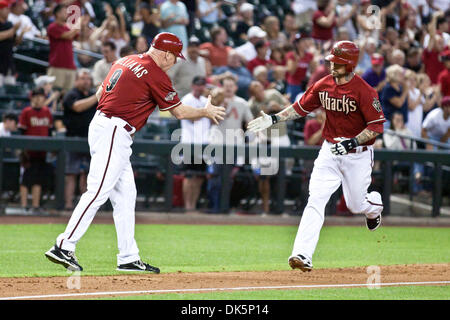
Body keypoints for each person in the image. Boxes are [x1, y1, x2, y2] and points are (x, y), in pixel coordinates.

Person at [45, 32, 225, 273]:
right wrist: (204, 112)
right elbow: (180, 113)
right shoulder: (155, 73)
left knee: (126, 195)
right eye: (174, 56)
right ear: (164, 53)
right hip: (113, 129)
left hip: (106, 125)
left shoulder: (125, 60)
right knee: (98, 190)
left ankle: (128, 256)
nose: (174, 62)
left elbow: (100, 93)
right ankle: (64, 245)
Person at [248, 41, 385, 272]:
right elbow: (300, 107)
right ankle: (302, 254)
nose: (333, 66)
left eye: (338, 63)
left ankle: (374, 207)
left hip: (357, 155)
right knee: (316, 199)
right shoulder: (324, 84)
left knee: (355, 204)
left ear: (349, 64)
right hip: (330, 150)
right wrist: (274, 119)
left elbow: (376, 127)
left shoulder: (364, 91)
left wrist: (352, 142)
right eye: (332, 61)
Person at [248, 81, 290, 215]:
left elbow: (291, 107)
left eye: (260, 89)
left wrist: (279, 107)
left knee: (282, 173)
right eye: (256, 91)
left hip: (281, 136)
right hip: (264, 139)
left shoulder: (273, 94)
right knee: (263, 175)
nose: (260, 93)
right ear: (252, 94)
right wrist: (263, 113)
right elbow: (249, 124)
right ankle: (265, 209)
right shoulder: (252, 104)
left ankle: (280, 208)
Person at [62, 69, 98, 211]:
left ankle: (85, 207)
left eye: (88, 78)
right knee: (71, 173)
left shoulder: (91, 94)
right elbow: (78, 107)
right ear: (76, 80)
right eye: (83, 78)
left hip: (90, 140)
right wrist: (97, 96)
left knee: (88, 175)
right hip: (73, 139)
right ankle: (68, 204)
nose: (86, 81)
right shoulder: (71, 94)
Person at [18, 88, 53, 214]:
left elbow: (49, 132)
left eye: (41, 96)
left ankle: (35, 205)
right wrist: (22, 152)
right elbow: (21, 132)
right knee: (25, 179)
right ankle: (23, 205)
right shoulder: (26, 111)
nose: (38, 99)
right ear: (31, 98)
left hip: (42, 152)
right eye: (36, 96)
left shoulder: (47, 112)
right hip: (28, 152)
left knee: (38, 179)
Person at [180, 76, 210, 212]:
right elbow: (191, 118)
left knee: (199, 177)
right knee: (189, 175)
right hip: (189, 142)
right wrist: (205, 112)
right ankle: (188, 206)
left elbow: (214, 119)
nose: (200, 87)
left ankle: (193, 206)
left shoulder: (205, 101)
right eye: (198, 85)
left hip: (204, 143)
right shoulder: (187, 99)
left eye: (202, 85)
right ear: (193, 85)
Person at [46, 4, 78, 93]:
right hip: (57, 65)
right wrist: (77, 26)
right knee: (54, 93)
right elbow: (68, 36)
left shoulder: (68, 27)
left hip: (70, 66)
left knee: (67, 94)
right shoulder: (52, 27)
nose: (67, 14)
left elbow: (77, 36)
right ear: (57, 14)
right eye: (64, 12)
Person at [0, 0, 24, 87]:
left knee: (11, 89)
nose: (8, 11)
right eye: (6, 9)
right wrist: (14, 30)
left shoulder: (9, 24)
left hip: (8, 63)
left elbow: (15, 43)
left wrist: (21, 33)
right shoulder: (12, 27)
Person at [285, 33, 314, 102]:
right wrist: (296, 61)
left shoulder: (309, 55)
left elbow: (313, 70)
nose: (305, 43)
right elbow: (291, 72)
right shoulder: (291, 55)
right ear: (297, 44)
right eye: (302, 42)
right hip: (293, 84)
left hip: (304, 84)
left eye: (305, 41)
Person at [380, 64, 409, 129]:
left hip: (400, 123)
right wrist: (405, 91)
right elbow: (399, 104)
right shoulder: (388, 88)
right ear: (393, 74)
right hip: (389, 122)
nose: (403, 75)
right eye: (400, 74)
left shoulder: (401, 87)